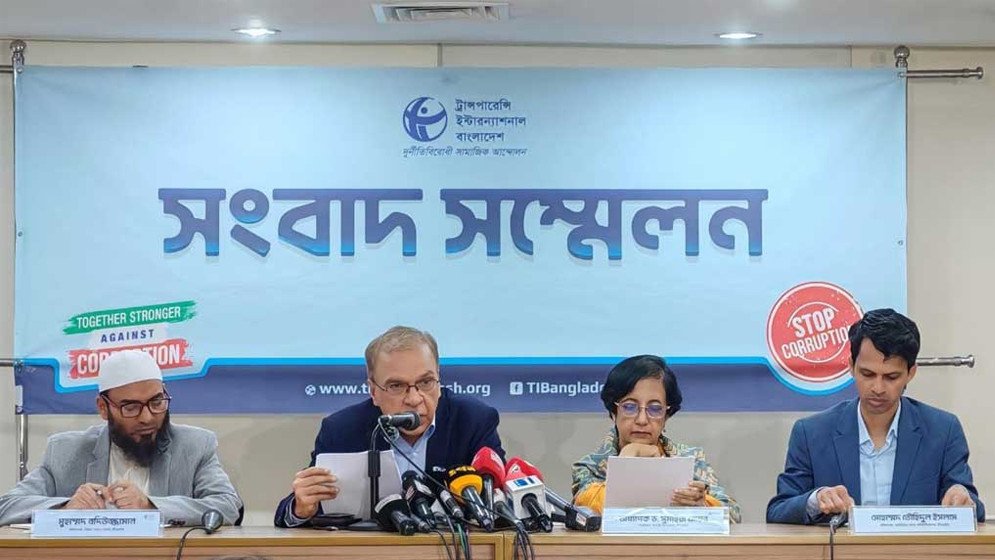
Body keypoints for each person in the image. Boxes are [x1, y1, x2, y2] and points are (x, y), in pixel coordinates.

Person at [767, 308, 984, 524]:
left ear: (911, 373)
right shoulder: (811, 433)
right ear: (851, 366)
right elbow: (778, 510)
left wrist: (963, 499)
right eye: (868, 374)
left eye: (891, 377)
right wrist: (816, 500)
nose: (878, 388)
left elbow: (976, 509)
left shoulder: (943, 430)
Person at [275, 326, 504, 527]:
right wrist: (300, 508)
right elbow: (297, 508)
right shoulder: (342, 430)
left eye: (426, 382)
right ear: (373, 391)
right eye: (396, 386)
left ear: (439, 379)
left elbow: (500, 502)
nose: (414, 399)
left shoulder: (473, 421)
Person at [0, 350, 242, 526]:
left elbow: (228, 506)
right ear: (103, 408)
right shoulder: (65, 451)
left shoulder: (195, 445)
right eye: (130, 407)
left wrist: (150, 506)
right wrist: (65, 507)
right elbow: (7, 507)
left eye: (156, 402)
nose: (147, 417)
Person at [571, 355, 741, 522]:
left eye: (655, 408)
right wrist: (627, 458)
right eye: (629, 407)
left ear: (666, 415)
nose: (642, 420)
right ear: (613, 412)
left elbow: (733, 516)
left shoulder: (690, 460)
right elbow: (585, 515)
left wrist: (702, 506)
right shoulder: (589, 467)